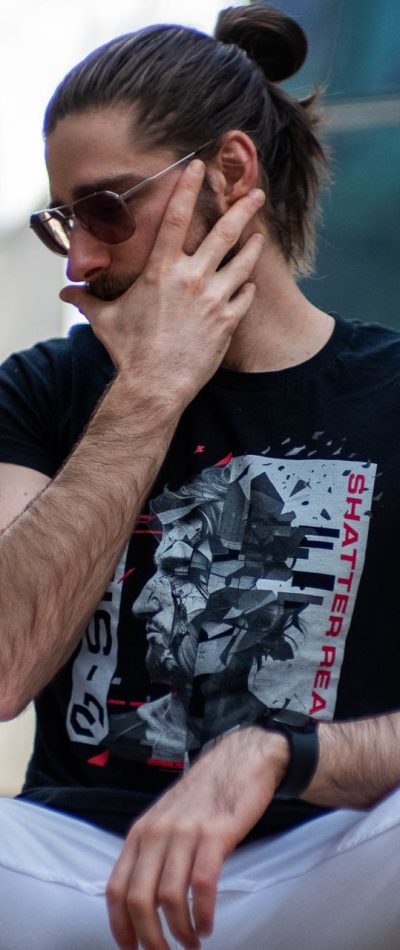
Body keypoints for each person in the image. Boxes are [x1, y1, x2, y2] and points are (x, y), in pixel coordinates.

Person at [1, 4, 400, 948]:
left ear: (230, 173)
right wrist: (147, 395)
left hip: (331, 865)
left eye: (107, 210)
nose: (84, 261)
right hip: (74, 872)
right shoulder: (45, 390)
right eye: (64, 225)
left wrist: (280, 755)